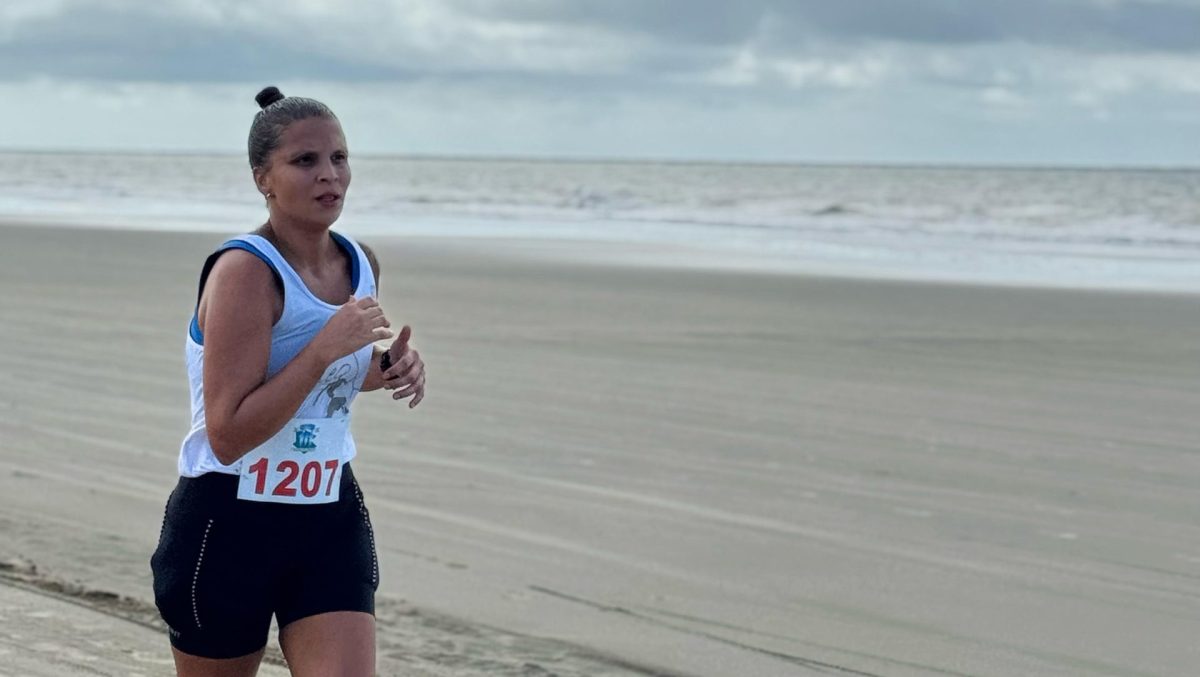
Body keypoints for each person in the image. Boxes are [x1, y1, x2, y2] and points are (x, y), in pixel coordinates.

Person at [150, 86, 426, 676]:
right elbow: (229, 433)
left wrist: (385, 370)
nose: (330, 175)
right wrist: (326, 348)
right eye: (305, 161)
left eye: (339, 158)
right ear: (263, 178)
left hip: (327, 511)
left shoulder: (359, 261)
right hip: (227, 523)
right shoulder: (244, 273)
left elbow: (331, 386)